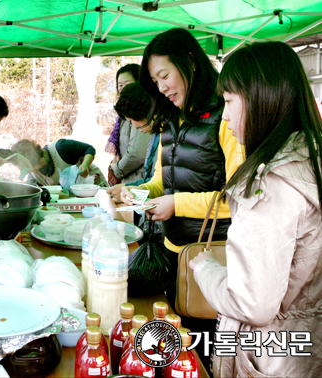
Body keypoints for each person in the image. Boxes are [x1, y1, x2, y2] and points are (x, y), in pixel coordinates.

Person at [190, 42, 322, 378]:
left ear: (261, 97)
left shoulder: (273, 182)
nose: (226, 116)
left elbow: (252, 303)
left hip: (270, 356)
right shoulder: (311, 158)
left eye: (230, 101)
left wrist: (205, 269)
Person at [118, 28, 242, 371]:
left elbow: (238, 199)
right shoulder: (171, 119)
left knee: (203, 356)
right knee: (173, 350)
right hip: (172, 254)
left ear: (189, 61)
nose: (162, 88)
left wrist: (177, 204)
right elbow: (163, 178)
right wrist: (139, 194)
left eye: (164, 76)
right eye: (155, 82)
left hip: (214, 259)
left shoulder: (226, 115)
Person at [107, 82, 159, 200]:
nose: (134, 127)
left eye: (131, 121)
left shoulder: (164, 136)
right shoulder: (155, 135)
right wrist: (128, 187)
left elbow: (160, 182)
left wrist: (130, 188)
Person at [105, 64, 151, 185]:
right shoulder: (123, 115)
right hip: (130, 180)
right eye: (120, 85)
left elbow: (136, 153)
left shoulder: (139, 112)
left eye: (127, 83)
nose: (123, 88)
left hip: (138, 180)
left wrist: (117, 169)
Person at [11, 139, 108, 187]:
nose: (25, 170)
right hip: (73, 197)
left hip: (91, 183)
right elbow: (27, 186)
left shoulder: (61, 148)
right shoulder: (33, 175)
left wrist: (85, 164)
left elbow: (89, 148)